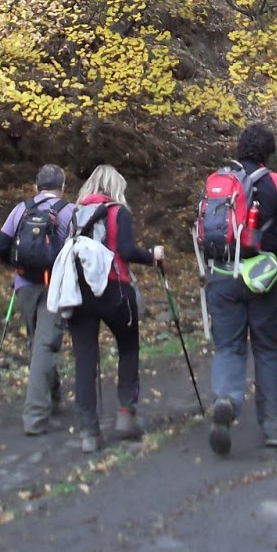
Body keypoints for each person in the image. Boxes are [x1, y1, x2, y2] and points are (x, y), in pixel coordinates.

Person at [203, 124, 277, 456]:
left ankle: (227, 398)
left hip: (222, 274)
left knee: (228, 347)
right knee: (267, 349)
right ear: (269, 152)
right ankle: (274, 427)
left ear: (240, 147)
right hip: (261, 278)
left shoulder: (220, 182)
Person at [63, 164, 163, 453]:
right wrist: (152, 256)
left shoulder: (75, 213)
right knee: (128, 347)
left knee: (84, 360)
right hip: (114, 289)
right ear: (115, 187)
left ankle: (89, 431)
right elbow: (128, 251)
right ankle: (125, 412)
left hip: (80, 293)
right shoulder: (118, 212)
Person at [0, 164, 78, 436]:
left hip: (25, 285)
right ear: (62, 186)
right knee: (45, 345)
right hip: (55, 286)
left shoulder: (22, 209)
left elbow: (0, 246)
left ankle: (52, 396)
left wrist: (17, 267)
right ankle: (35, 417)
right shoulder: (69, 211)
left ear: (36, 186)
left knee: (39, 343)